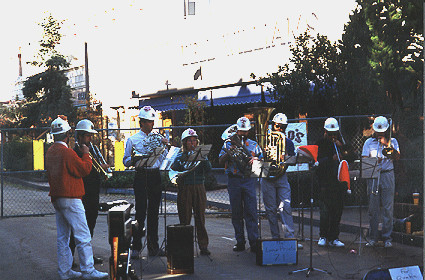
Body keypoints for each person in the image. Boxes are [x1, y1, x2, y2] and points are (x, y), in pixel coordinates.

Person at [46, 115, 108, 280]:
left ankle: (64, 271)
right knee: (83, 235)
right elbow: (84, 170)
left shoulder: (50, 151)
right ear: (67, 135)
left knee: (63, 237)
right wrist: (87, 155)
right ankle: (88, 270)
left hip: (57, 197)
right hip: (71, 197)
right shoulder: (66, 152)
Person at [123, 106, 168, 258]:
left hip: (155, 175)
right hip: (141, 175)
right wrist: (135, 159)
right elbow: (125, 161)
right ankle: (136, 247)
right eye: (148, 121)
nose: (151, 124)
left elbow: (164, 159)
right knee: (140, 212)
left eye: (152, 121)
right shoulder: (133, 139)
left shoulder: (157, 137)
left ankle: (153, 247)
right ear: (141, 122)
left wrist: (164, 146)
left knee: (154, 213)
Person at [219, 116, 262, 253]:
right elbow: (220, 160)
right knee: (236, 212)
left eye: (245, 131)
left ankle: (254, 241)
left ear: (248, 131)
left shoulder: (254, 144)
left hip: (249, 179)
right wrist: (229, 153)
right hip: (234, 179)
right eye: (241, 131)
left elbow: (263, 160)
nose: (243, 134)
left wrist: (256, 159)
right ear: (237, 130)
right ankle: (240, 241)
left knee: (251, 211)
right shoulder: (227, 143)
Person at [260, 113, 303, 249]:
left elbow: (291, 159)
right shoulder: (264, 140)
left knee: (286, 206)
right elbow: (258, 157)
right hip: (267, 175)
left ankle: (290, 238)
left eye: (283, 127)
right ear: (273, 125)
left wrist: (285, 158)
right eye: (277, 126)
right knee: (271, 209)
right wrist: (264, 153)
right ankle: (275, 238)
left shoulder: (288, 142)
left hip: (281, 176)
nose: (279, 129)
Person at [69, 119, 108, 265]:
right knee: (76, 228)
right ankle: (70, 257)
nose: (89, 139)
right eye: (87, 136)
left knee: (90, 225)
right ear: (79, 137)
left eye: (91, 136)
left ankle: (88, 257)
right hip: (81, 194)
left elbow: (96, 167)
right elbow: (81, 170)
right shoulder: (74, 153)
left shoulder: (92, 149)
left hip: (93, 193)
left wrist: (103, 168)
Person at [170, 128, 212, 255]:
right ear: (184, 143)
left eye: (194, 141)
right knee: (185, 216)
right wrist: (183, 159)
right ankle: (185, 246)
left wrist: (203, 158)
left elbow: (208, 169)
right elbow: (174, 169)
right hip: (185, 187)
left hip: (199, 186)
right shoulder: (180, 156)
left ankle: (203, 246)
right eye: (189, 141)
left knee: (200, 217)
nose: (192, 143)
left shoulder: (201, 154)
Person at [362, 116, 400, 248]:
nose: (379, 133)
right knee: (373, 208)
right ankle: (373, 237)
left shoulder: (393, 141)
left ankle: (387, 237)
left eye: (382, 131)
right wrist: (374, 162)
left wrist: (386, 144)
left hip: (387, 174)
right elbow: (364, 160)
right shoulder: (368, 143)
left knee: (388, 208)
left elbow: (397, 156)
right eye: (378, 131)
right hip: (373, 175)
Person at [315, 117, 350, 247]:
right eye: (330, 134)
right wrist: (331, 158)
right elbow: (317, 162)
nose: (333, 137)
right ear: (325, 132)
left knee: (337, 211)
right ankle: (323, 235)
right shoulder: (319, 144)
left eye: (335, 134)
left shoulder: (339, 143)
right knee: (325, 212)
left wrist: (343, 147)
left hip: (338, 182)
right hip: (325, 182)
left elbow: (351, 156)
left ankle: (334, 237)